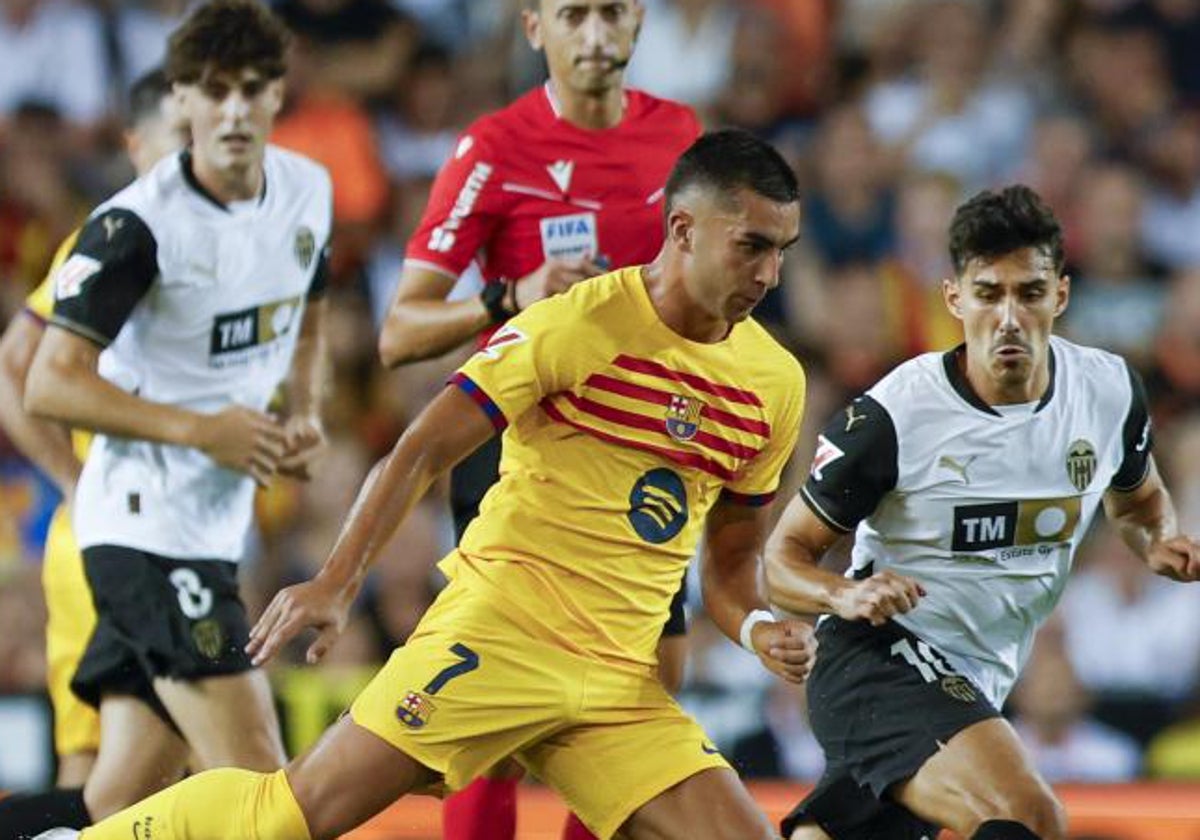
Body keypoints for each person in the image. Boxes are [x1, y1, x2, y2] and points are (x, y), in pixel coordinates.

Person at [57, 129, 813, 840]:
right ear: (682, 230)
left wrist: (753, 628)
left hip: (618, 684)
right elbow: (419, 451)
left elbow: (729, 564)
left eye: (782, 251)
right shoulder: (574, 326)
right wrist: (337, 581)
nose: (769, 274)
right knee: (293, 813)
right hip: (499, 638)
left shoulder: (773, 383)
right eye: (751, 246)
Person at [764, 184, 1200, 840]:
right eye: (989, 293)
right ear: (954, 299)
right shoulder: (895, 416)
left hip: (979, 677)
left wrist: (1159, 539)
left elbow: (1138, 500)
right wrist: (844, 594)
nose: (1008, 317)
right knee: (1027, 816)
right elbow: (782, 560)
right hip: (879, 658)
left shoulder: (1107, 390)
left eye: (1028, 293)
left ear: (1060, 295)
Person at [2, 2, 333, 837]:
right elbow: (45, 382)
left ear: (277, 94)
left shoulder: (307, 190)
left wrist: (307, 411)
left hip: (211, 534)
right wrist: (202, 430)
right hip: (141, 535)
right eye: (213, 90)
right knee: (266, 789)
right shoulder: (134, 227)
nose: (233, 111)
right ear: (180, 97)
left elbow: (311, 308)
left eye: (252, 90)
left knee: (119, 804)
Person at [377, 1, 701, 835]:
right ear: (533, 28)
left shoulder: (682, 136)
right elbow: (398, 331)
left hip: (642, 455)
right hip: (515, 453)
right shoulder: (494, 149)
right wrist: (507, 296)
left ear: (638, 22)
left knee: (645, 692)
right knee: (493, 715)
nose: (594, 35)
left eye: (613, 12)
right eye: (572, 14)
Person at [0, 68, 187, 795]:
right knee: (135, 773)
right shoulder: (118, 235)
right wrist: (76, 483)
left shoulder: (199, 240)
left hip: (147, 529)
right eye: (181, 138)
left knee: (114, 767)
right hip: (120, 531)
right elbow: (15, 366)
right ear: (136, 145)